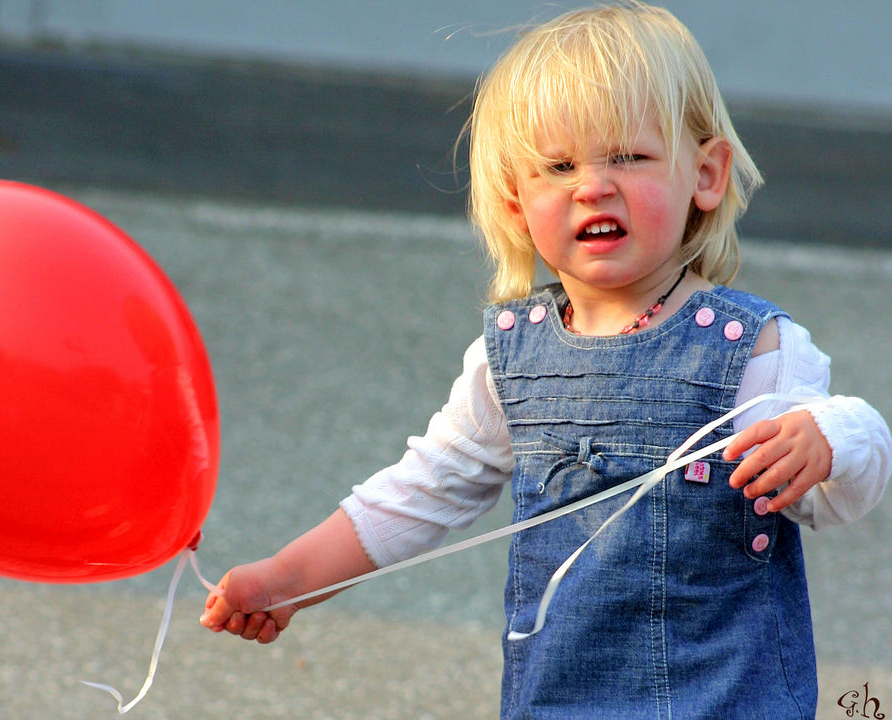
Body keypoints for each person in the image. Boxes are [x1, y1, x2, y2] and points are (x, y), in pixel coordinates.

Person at [200, 3, 890, 717]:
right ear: (515, 200)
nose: (592, 185)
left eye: (629, 156)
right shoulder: (511, 354)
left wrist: (838, 437)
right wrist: (289, 578)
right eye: (558, 167)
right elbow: (424, 489)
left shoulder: (754, 350)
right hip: (560, 699)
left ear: (707, 174)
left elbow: (832, 498)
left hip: (725, 698)